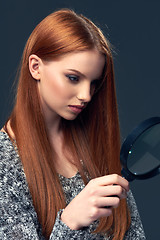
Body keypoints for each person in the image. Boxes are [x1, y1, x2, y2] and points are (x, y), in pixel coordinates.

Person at [0, 9, 146, 240]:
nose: (86, 95)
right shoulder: (4, 161)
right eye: (73, 78)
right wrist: (69, 222)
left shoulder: (96, 148)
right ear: (36, 67)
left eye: (94, 82)